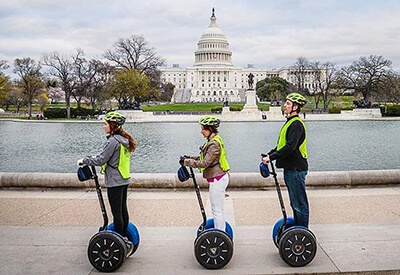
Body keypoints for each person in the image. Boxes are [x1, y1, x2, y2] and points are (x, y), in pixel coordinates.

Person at [77, 111, 137, 251]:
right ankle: (123, 238)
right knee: (122, 210)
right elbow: (108, 157)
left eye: (105, 124)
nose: (104, 127)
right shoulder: (124, 140)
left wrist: (85, 160)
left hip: (115, 181)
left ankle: (120, 241)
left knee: (116, 213)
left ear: (112, 125)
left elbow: (102, 159)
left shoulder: (112, 141)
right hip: (123, 179)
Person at [262, 93, 310, 228]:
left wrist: (271, 157)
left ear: (295, 107)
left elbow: (290, 147)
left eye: (288, 104)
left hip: (296, 168)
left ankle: (303, 232)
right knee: (295, 203)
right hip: (291, 168)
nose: (284, 105)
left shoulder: (296, 124)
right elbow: (282, 146)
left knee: (299, 204)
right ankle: (298, 230)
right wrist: (269, 154)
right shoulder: (290, 122)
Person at [180, 115, 230, 231]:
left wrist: (186, 162)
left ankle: (220, 234)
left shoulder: (214, 144)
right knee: (217, 209)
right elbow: (204, 157)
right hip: (217, 178)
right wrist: (189, 157)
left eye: (203, 129)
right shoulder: (213, 140)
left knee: (217, 210)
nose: (201, 131)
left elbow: (205, 163)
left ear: (210, 129)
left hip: (218, 179)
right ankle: (220, 232)